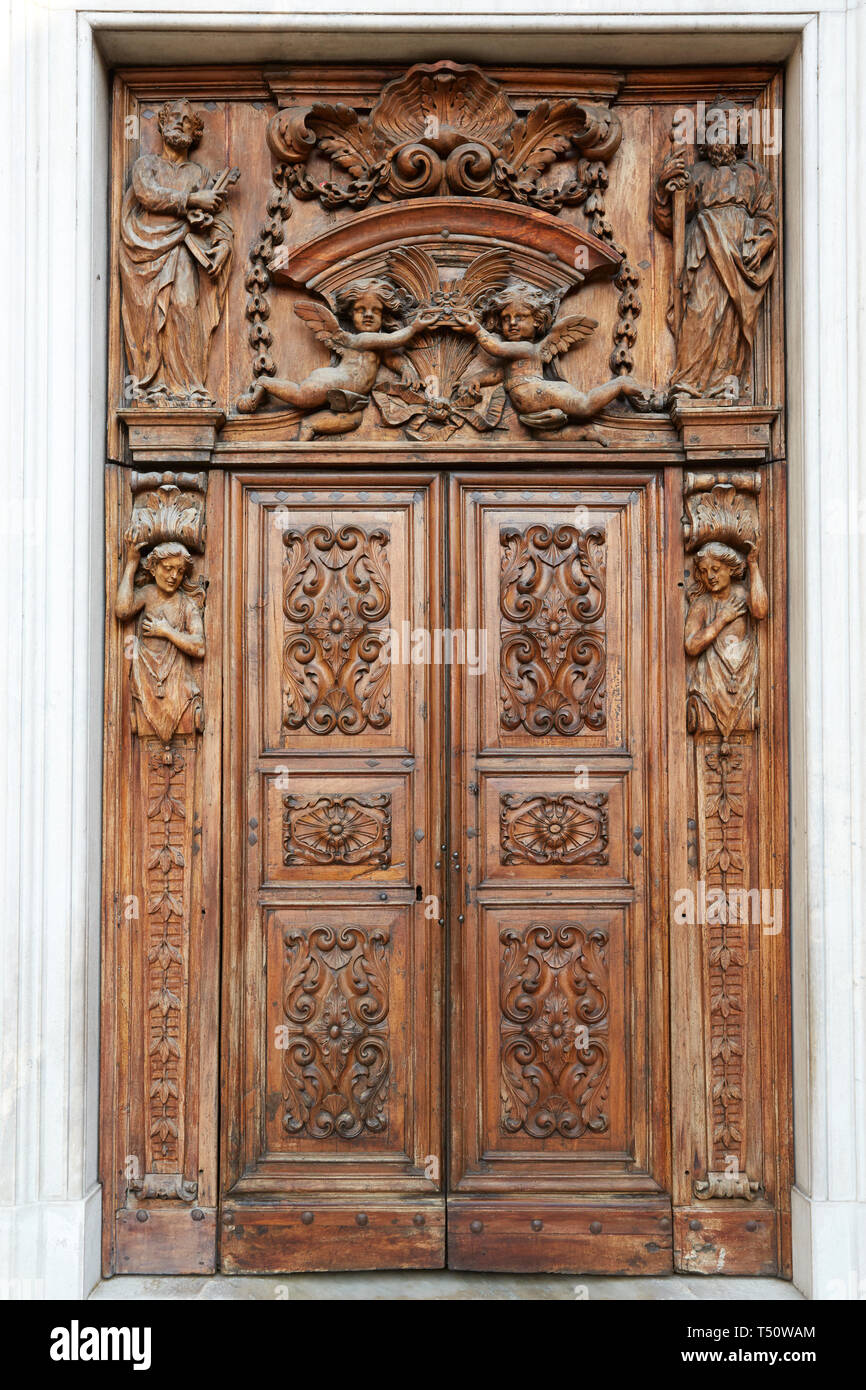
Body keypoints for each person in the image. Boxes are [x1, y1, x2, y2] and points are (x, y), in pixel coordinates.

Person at [654, 104, 778, 399]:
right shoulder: (696, 173)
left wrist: (764, 241)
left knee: (731, 317)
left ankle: (726, 379)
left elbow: (767, 217)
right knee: (701, 308)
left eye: (724, 129)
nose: (718, 137)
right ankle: (688, 381)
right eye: (712, 131)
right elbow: (673, 221)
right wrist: (667, 189)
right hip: (705, 250)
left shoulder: (755, 174)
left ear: (738, 135)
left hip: (740, 254)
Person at [119, 99, 234, 404]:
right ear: (163, 124)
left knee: (184, 307)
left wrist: (222, 245)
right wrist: (193, 201)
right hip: (145, 254)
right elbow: (147, 194)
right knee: (153, 315)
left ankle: (189, 388)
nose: (182, 122)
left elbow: (221, 217)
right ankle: (153, 385)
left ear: (196, 132)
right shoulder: (147, 165)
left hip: (184, 250)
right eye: (176, 118)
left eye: (188, 120)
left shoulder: (199, 173)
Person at [236, 278, 433, 439]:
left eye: (376, 310)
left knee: (353, 420)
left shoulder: (376, 346)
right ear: (349, 313)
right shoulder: (361, 339)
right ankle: (264, 383)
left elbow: (391, 358)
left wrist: (407, 369)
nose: (368, 315)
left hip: (352, 397)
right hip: (332, 382)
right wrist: (414, 328)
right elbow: (394, 339)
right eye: (360, 310)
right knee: (302, 396)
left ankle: (309, 426)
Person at [457, 280, 648, 430]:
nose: (512, 323)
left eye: (520, 317)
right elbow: (499, 374)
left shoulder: (526, 348)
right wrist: (475, 379)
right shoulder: (514, 358)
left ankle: (620, 384)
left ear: (537, 321)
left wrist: (476, 329)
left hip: (544, 392)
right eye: (506, 318)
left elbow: (495, 348)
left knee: (584, 405)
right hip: (534, 403)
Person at [115, 535, 205, 742]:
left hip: (177, 683)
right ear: (154, 568)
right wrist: (131, 563)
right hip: (148, 678)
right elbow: (122, 610)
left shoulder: (187, 605)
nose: (174, 576)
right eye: (168, 568)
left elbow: (200, 647)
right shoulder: (146, 594)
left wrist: (166, 631)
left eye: (180, 571)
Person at [684, 540, 768, 739]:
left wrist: (753, 565)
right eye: (704, 571)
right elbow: (691, 646)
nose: (710, 576)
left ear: (730, 569)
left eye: (715, 569)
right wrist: (721, 619)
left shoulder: (742, 596)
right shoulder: (701, 605)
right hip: (712, 681)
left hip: (741, 677)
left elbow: (760, 610)